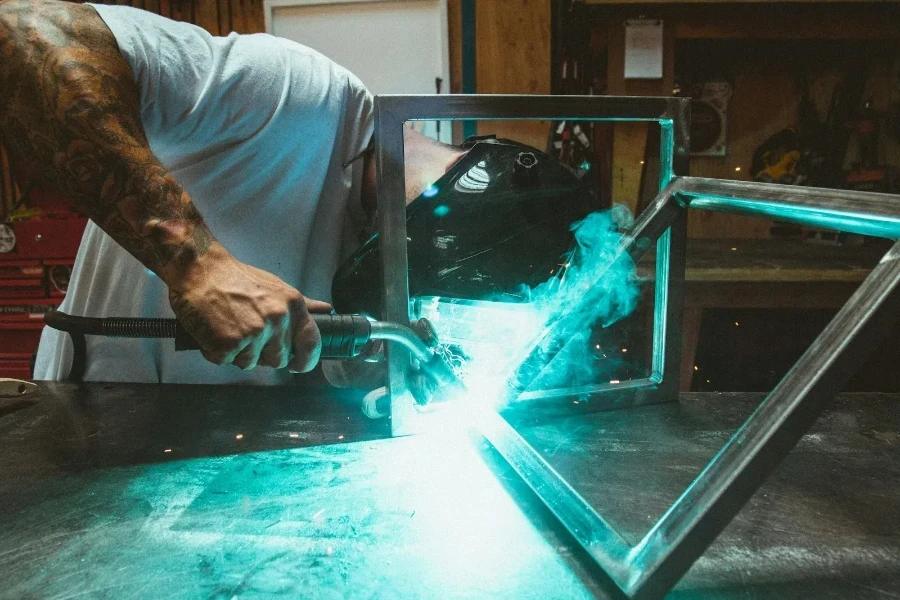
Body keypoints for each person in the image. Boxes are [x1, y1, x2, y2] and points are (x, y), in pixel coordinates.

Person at [0, 0, 464, 384]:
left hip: (218, 457)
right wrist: (198, 265)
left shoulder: (375, 253)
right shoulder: (298, 94)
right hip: (97, 422)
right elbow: (22, 34)